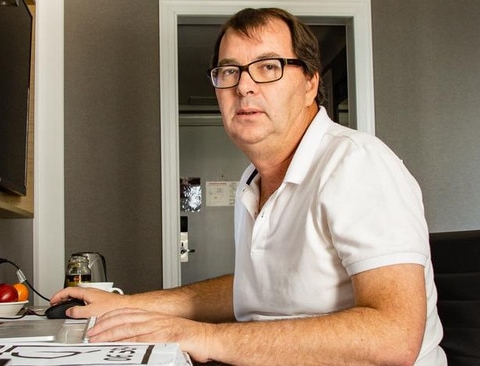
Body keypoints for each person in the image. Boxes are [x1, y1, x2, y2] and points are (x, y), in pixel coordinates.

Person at [51, 7, 446, 365]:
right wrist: (125, 306)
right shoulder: (253, 180)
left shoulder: (355, 164)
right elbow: (253, 290)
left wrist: (205, 337)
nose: (244, 86)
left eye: (268, 66)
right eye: (229, 71)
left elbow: (394, 337)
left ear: (310, 81)